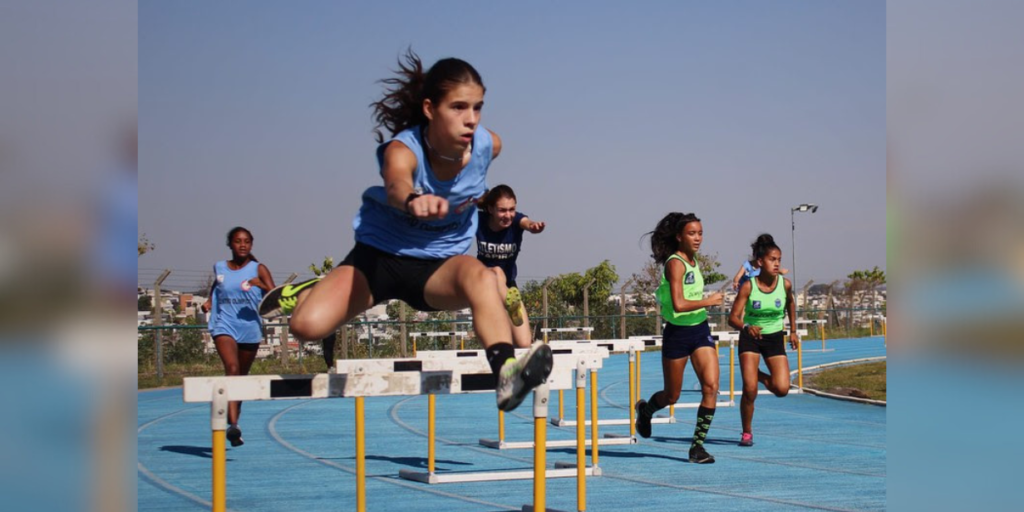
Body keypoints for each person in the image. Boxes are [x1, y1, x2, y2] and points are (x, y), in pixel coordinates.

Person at [259, 50, 552, 412]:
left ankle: (506, 374)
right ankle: (311, 289)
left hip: (437, 268)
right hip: (378, 262)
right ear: (430, 109)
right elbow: (396, 182)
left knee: (485, 276)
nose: (471, 120)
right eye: (458, 108)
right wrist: (412, 199)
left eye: (477, 108)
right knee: (305, 326)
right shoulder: (403, 148)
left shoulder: (489, 146)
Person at [634, 213, 724, 464]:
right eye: (692, 233)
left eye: (700, 233)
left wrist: (706, 305)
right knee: (672, 396)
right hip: (677, 334)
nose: (697, 238)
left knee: (711, 387)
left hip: (699, 330)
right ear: (679, 236)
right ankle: (646, 411)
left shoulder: (694, 260)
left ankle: (697, 448)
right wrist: (710, 300)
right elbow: (679, 303)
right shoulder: (675, 263)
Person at [201, 226, 276, 447]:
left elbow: (276, 297)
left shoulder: (258, 269)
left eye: (246, 241)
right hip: (224, 324)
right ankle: (233, 425)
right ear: (230, 244)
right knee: (231, 369)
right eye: (237, 241)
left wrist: (260, 285)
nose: (242, 245)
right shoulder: (220, 267)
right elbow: (218, 284)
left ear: (251, 244)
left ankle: (233, 421)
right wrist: (208, 301)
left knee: (239, 381)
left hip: (249, 328)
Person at [728, 233, 798, 447]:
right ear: (760, 262)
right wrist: (747, 327)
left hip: (775, 338)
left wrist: (793, 330)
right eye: (772, 259)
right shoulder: (749, 286)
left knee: (782, 389)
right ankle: (746, 432)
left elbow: (791, 305)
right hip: (751, 337)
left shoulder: (785, 285)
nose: (777, 264)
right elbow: (733, 318)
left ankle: (754, 373)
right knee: (750, 390)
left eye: (779, 260)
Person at [476, 184, 546, 348]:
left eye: (511, 209)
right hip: (483, 285)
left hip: (509, 288)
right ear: (490, 209)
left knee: (523, 344)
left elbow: (526, 222)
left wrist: (533, 226)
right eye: (502, 210)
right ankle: (506, 306)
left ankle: (511, 306)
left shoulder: (515, 221)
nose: (508, 215)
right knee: (497, 271)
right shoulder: (479, 220)